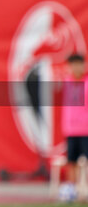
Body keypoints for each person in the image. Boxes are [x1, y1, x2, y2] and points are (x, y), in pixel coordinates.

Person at [60, 54, 88, 200]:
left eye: (79, 64)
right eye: (73, 65)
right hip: (71, 129)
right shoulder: (66, 82)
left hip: (86, 129)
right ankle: (72, 191)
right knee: (72, 161)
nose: (76, 68)